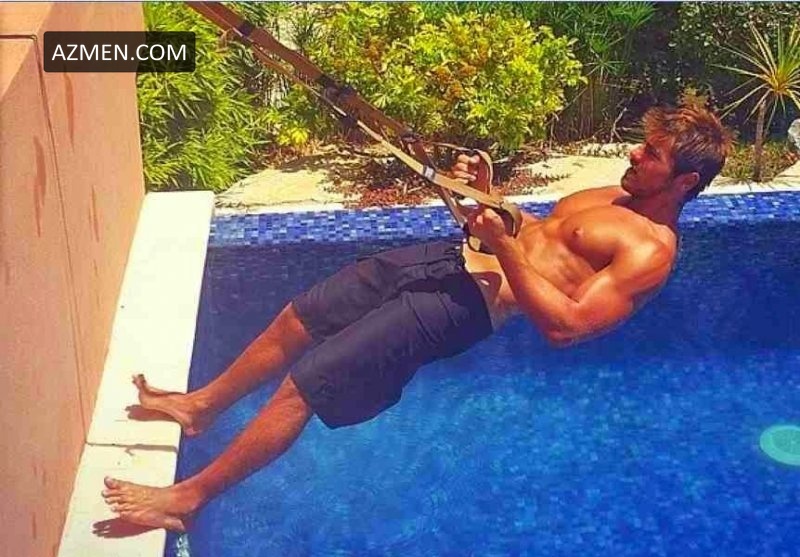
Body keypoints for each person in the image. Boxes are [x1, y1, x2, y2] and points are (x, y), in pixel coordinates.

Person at [102, 105, 731, 532]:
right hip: (448, 260)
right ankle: (202, 406)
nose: (634, 152)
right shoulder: (612, 194)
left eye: (651, 153)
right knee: (303, 315)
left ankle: (189, 498)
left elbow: (565, 327)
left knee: (308, 383)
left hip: (463, 307)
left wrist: (503, 244)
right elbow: (537, 237)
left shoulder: (650, 253)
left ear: (685, 181)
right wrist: (489, 196)